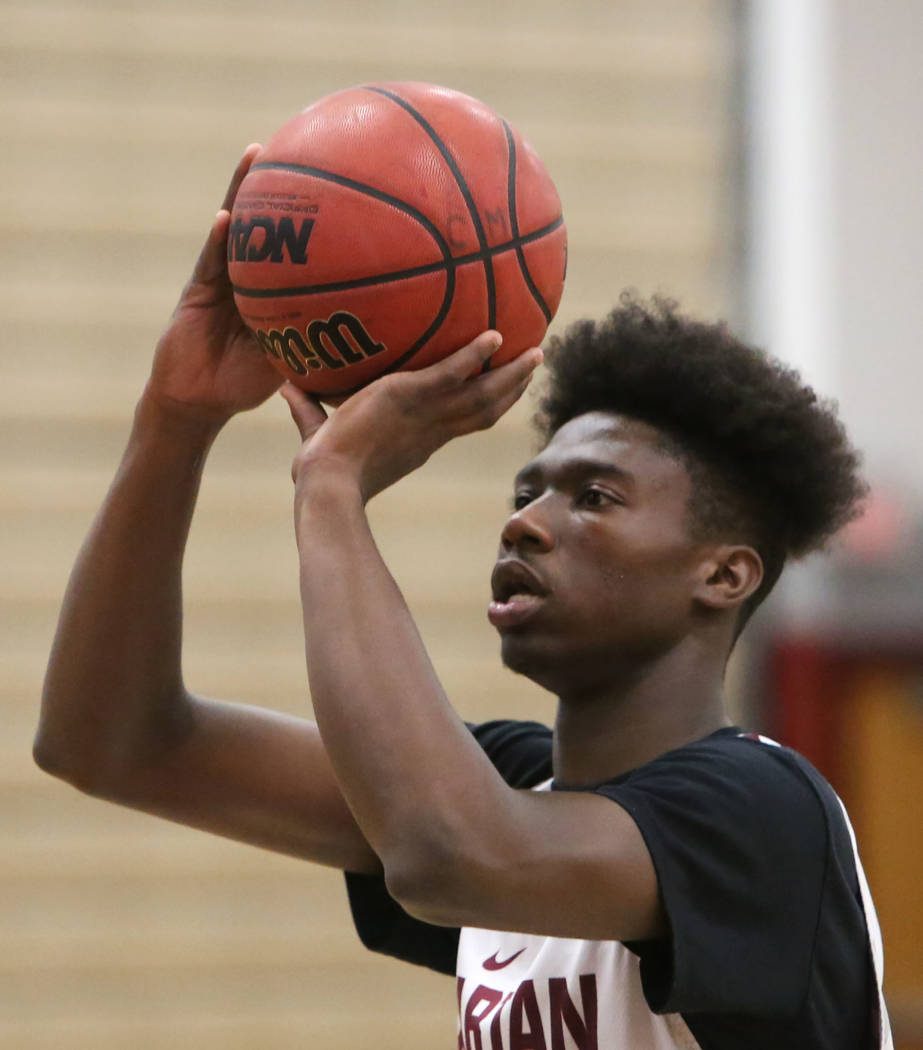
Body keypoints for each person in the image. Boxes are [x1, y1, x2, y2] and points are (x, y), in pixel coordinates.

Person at [36, 146, 892, 1050]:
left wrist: (330, 488)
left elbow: (447, 855)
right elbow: (112, 744)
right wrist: (178, 416)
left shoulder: (758, 810)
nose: (525, 524)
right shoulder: (513, 790)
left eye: (594, 498)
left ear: (722, 575)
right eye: (527, 492)